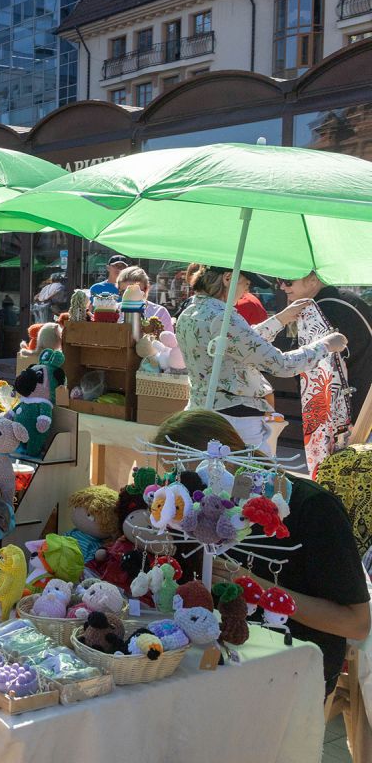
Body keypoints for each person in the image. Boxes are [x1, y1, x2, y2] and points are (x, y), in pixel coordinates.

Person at [154, 410, 370, 695]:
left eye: (183, 475)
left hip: (294, 664)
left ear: (221, 462)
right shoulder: (193, 509)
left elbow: (356, 623)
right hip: (221, 652)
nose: (177, 489)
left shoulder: (313, 509)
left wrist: (257, 589)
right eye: (170, 477)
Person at [175, 264, 346, 453]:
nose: (245, 293)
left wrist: (280, 319)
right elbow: (281, 364)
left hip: (201, 412)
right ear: (228, 279)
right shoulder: (223, 318)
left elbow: (240, 343)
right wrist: (326, 346)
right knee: (251, 479)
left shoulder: (190, 312)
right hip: (235, 420)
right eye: (246, 285)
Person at [281, 271, 372, 421]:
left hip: (336, 414)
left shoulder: (317, 311)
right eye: (280, 280)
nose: (283, 286)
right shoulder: (351, 300)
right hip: (364, 400)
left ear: (313, 279)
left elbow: (300, 365)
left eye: (288, 280)